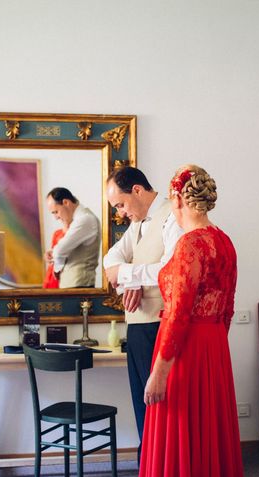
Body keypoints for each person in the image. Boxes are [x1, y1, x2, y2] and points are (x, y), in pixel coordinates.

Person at [139, 165, 244, 477]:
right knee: (207, 427)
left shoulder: (190, 244)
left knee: (182, 426)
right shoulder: (224, 242)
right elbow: (227, 309)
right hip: (213, 348)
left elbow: (179, 314)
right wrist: (214, 354)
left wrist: (158, 373)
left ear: (176, 198)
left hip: (183, 350)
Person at [103, 167, 183, 460]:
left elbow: (172, 269)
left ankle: (166, 465)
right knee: (142, 406)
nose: (121, 214)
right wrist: (131, 279)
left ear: (137, 190)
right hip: (137, 329)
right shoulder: (136, 224)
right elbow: (109, 260)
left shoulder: (172, 217)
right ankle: (149, 465)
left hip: (160, 327)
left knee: (162, 405)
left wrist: (130, 277)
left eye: (120, 205)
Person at [45, 187, 100, 288]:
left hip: (79, 284)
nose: (56, 217)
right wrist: (53, 253)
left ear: (66, 202)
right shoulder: (79, 219)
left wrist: (57, 268)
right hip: (73, 284)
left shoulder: (85, 219)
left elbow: (59, 251)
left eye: (56, 212)